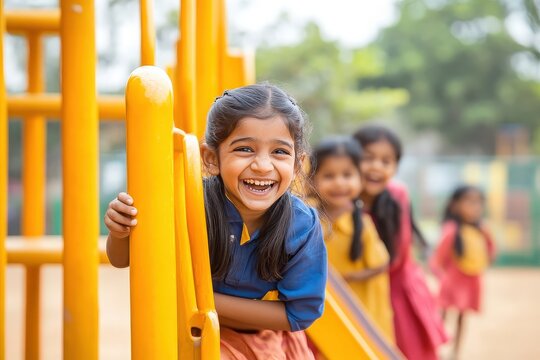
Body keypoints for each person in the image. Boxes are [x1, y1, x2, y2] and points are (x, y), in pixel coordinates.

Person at [105, 84, 327, 359]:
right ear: (211, 159)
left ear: (296, 165)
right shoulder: (188, 203)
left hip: (262, 336)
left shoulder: (301, 225)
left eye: (279, 152)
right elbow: (124, 259)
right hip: (193, 330)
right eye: (245, 149)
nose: (262, 165)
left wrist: (202, 300)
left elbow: (301, 312)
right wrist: (120, 231)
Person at [353, 125, 448, 360]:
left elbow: (395, 258)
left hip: (396, 288)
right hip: (358, 290)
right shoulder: (339, 196)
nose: (377, 166)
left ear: (395, 168)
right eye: (368, 158)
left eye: (386, 161)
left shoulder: (397, 195)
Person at [309, 136, 394, 343]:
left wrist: (343, 280)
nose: (339, 183)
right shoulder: (308, 218)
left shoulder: (361, 223)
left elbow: (380, 264)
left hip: (359, 312)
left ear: (360, 178)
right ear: (312, 180)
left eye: (347, 175)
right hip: (319, 312)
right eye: (329, 176)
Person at [430, 185, 496, 359]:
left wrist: (488, 237)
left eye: (478, 203)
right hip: (452, 283)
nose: (475, 207)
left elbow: (490, 253)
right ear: (455, 205)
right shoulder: (451, 230)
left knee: (461, 319)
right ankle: (435, 350)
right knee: (442, 317)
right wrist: (442, 278)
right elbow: (437, 260)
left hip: (470, 282)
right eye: (470, 202)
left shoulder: (481, 230)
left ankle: (455, 353)